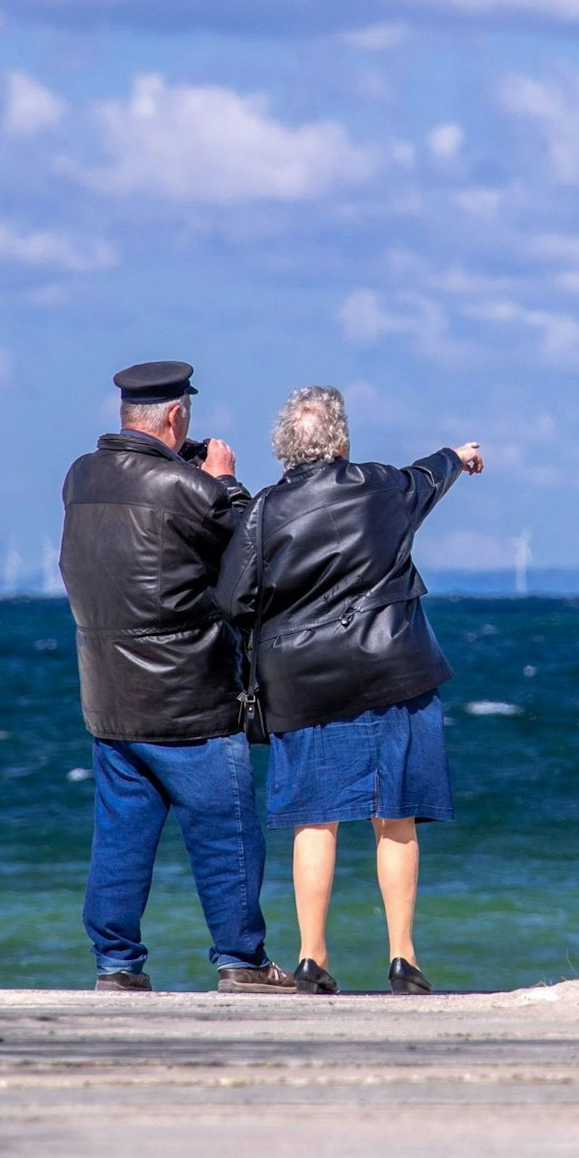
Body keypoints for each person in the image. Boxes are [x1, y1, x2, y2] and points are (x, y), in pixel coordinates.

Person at [218, 385, 483, 995]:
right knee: (396, 818)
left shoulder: (263, 511)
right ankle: (402, 958)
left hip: (304, 684)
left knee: (316, 820)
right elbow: (428, 476)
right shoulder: (382, 485)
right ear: (340, 441)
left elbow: (234, 599)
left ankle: (311, 957)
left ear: (286, 446)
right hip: (396, 670)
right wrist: (459, 455)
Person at [59, 360, 295, 994]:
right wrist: (224, 480)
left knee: (121, 839)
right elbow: (254, 544)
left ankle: (116, 965)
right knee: (226, 836)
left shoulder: (81, 476)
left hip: (109, 695)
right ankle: (241, 961)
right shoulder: (188, 488)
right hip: (188, 694)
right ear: (176, 415)